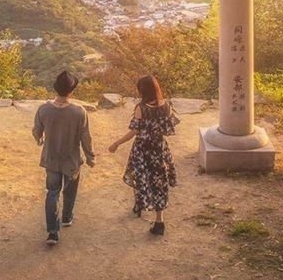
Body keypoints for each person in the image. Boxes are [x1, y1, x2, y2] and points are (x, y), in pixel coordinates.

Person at [108, 74, 177, 236]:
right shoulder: (166, 106)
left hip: (142, 149)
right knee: (159, 182)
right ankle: (159, 220)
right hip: (159, 149)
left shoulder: (141, 108)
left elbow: (134, 131)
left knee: (139, 176)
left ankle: (139, 204)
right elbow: (169, 129)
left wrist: (116, 143)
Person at [32, 69, 95, 245]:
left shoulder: (44, 109)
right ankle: (67, 217)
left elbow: (37, 132)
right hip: (71, 160)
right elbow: (85, 137)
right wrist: (90, 157)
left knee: (52, 192)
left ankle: (52, 231)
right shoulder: (79, 112)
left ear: (55, 88)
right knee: (70, 190)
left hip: (51, 158)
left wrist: (40, 139)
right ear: (72, 90)